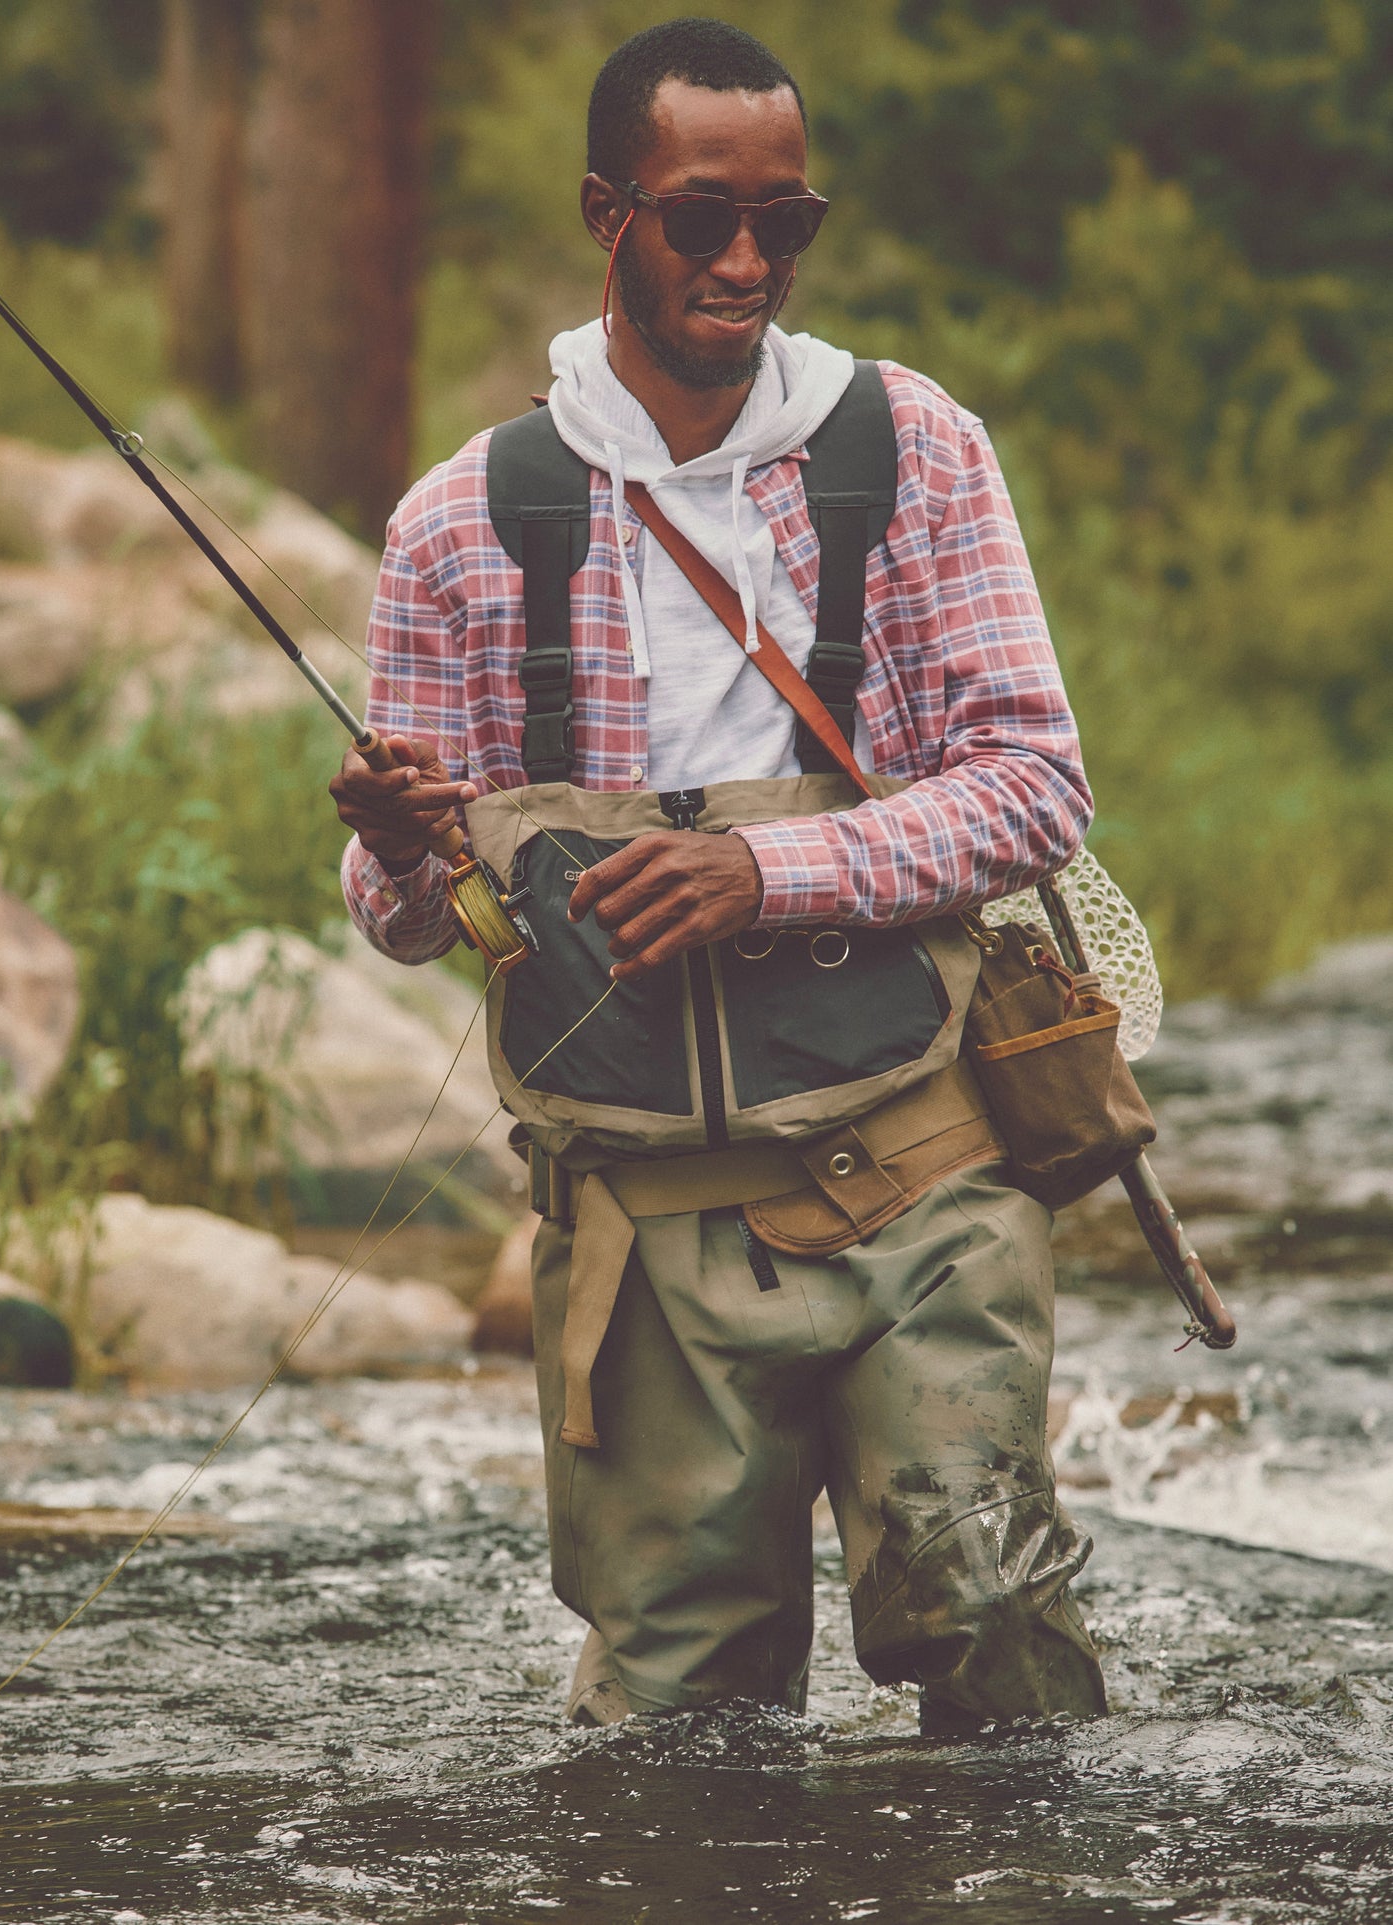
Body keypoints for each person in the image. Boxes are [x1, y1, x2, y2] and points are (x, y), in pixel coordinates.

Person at [331, 17, 1106, 1736]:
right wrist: (396, 854)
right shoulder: (456, 526)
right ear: (607, 213)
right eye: (701, 217)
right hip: (645, 1226)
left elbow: (1035, 787)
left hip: (923, 1167)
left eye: (786, 219)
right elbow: (404, 920)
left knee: (993, 1631)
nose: (746, 260)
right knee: (678, 1737)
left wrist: (774, 872)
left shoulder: (907, 450)